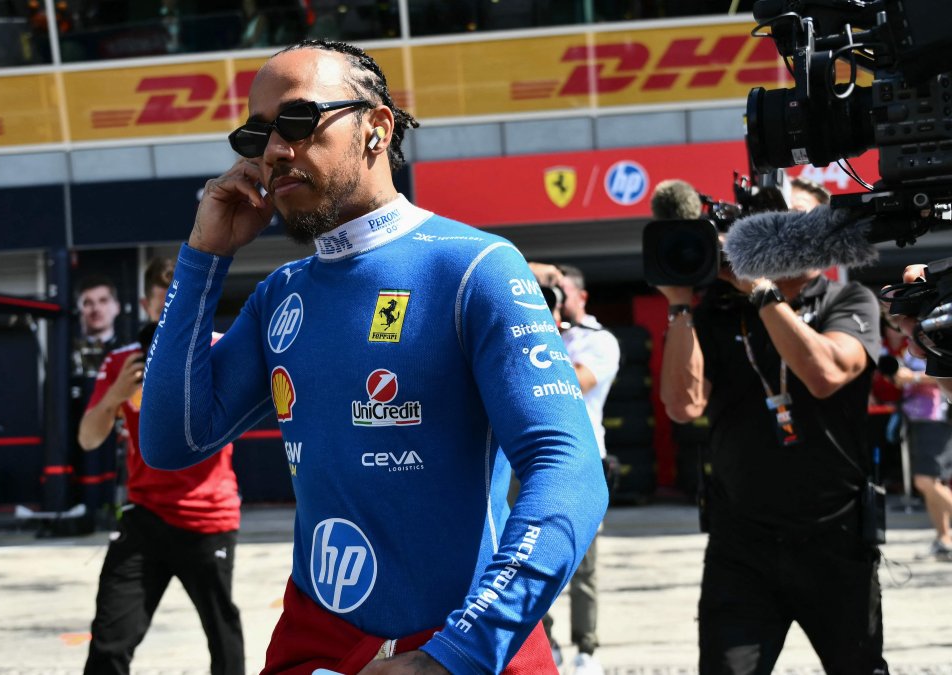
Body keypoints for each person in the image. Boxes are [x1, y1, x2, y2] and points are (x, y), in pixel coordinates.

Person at [139, 38, 608, 674]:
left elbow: (569, 472)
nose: (277, 150)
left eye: (300, 122)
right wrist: (203, 257)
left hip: (464, 644)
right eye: (257, 135)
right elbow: (171, 441)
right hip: (315, 640)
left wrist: (458, 653)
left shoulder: (475, 267)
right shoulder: (281, 293)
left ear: (376, 129)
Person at [658, 248, 886, 671]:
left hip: (834, 538)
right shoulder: (717, 312)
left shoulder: (848, 299)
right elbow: (683, 405)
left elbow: (826, 375)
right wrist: (679, 306)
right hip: (742, 543)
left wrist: (763, 290)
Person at [80, 257, 244, 675]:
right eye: (163, 298)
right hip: (146, 515)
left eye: (180, 298)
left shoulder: (219, 347)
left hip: (207, 517)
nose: (172, 307)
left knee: (222, 636)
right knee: (109, 639)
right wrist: (117, 394)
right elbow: (88, 438)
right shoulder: (123, 360)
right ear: (146, 303)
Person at [527, 263, 618, 675]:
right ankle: (545, 641)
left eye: (560, 291)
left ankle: (587, 648)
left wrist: (549, 331)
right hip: (530, 463)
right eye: (549, 292)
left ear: (580, 296)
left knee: (582, 565)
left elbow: (569, 384)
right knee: (528, 559)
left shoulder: (600, 341)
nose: (555, 299)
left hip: (583, 462)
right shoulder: (529, 332)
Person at [885, 268, 952, 561]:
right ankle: (944, 537)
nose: (893, 321)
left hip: (932, 414)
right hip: (918, 415)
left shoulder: (929, 334)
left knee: (927, 481)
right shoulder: (910, 342)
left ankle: (946, 536)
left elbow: (933, 371)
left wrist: (909, 379)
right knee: (927, 481)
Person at [74, 276, 123, 377]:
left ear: (117, 307)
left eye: (103, 301)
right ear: (79, 309)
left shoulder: (129, 354)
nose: (96, 309)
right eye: (88, 303)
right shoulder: (64, 357)